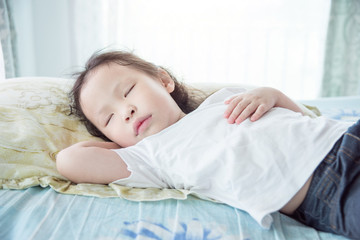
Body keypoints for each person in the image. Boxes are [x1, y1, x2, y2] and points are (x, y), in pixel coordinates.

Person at [56, 50, 360, 239]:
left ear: (163, 81)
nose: (126, 111)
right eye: (109, 119)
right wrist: (120, 148)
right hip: (325, 190)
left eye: (128, 92)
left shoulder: (222, 99)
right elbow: (69, 161)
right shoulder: (147, 158)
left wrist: (271, 94)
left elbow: (304, 116)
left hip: (343, 136)